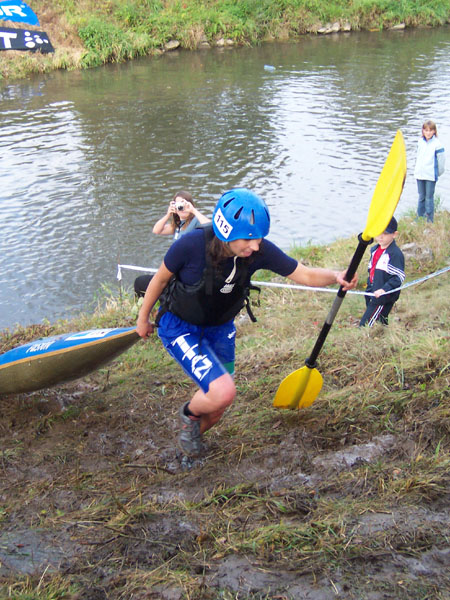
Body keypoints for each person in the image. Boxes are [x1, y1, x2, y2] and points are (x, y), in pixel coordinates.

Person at [136, 188, 358, 457]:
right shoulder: (190, 245)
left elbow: (304, 274)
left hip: (220, 329)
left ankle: (186, 446)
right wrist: (143, 318)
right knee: (223, 392)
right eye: (248, 240)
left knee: (218, 406)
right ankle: (189, 416)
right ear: (225, 231)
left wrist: (336, 275)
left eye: (258, 239)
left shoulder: (258, 250)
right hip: (180, 327)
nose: (255, 247)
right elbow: (159, 280)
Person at [134, 191, 210, 297]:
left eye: (185, 203)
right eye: (179, 205)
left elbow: (211, 228)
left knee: (141, 282)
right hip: (175, 270)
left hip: (186, 274)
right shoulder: (178, 226)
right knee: (141, 282)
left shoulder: (196, 221)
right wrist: (168, 214)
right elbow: (156, 230)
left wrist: (193, 210)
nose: (182, 208)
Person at [359, 217, 405, 327]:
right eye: (378, 232)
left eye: (385, 233)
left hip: (383, 297)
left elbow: (398, 277)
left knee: (365, 325)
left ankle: (363, 337)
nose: (380, 236)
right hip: (372, 291)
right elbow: (372, 271)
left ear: (394, 234)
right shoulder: (374, 250)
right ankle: (384, 331)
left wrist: (384, 289)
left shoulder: (394, 254)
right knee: (380, 318)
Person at [414, 120, 445, 223]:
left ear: (434, 131)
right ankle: (419, 218)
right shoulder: (420, 142)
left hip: (430, 175)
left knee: (429, 198)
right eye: (426, 130)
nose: (428, 133)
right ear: (423, 131)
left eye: (430, 130)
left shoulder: (437, 144)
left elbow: (441, 161)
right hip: (420, 174)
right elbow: (417, 157)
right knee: (421, 196)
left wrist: (438, 173)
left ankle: (429, 220)